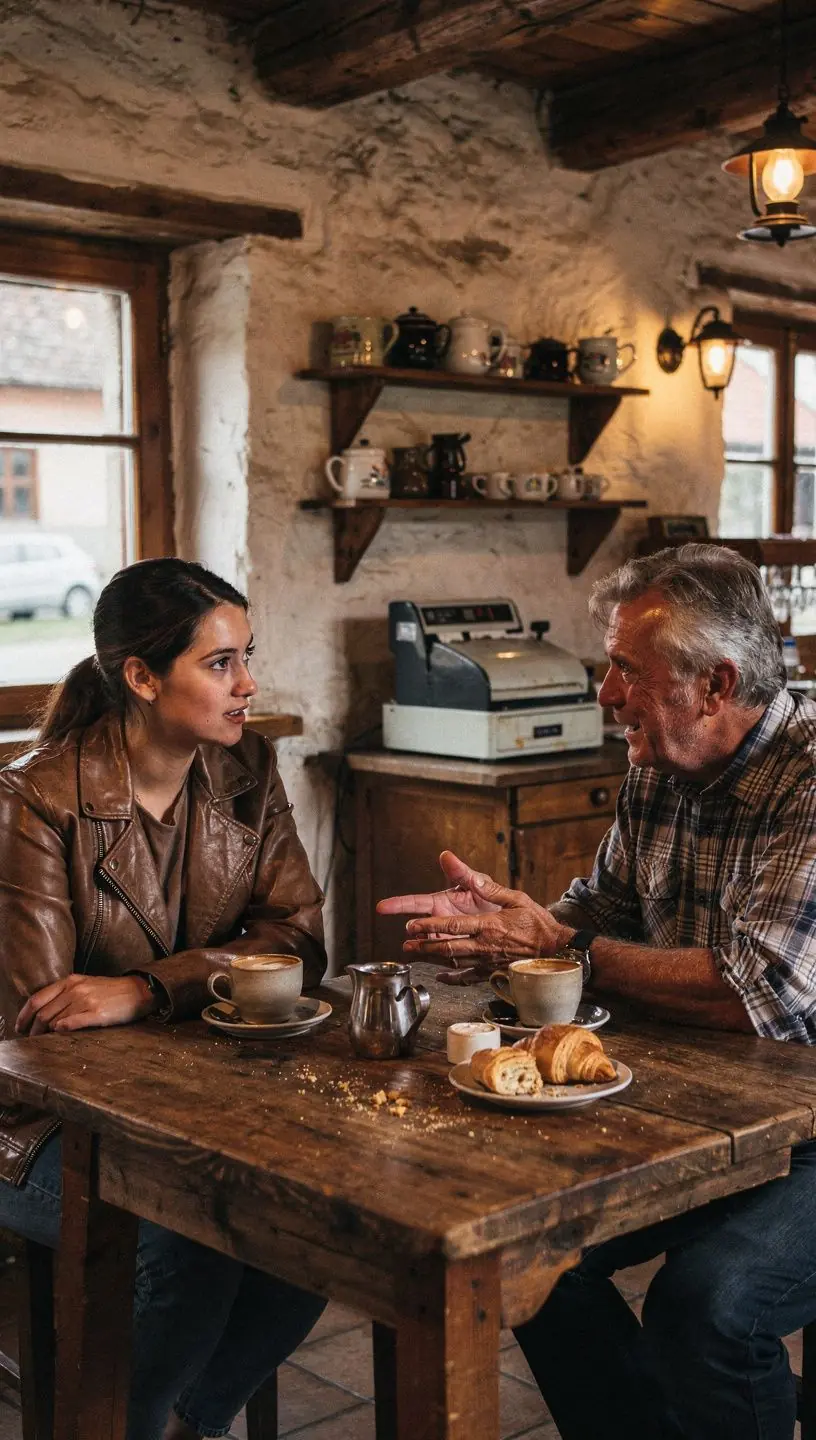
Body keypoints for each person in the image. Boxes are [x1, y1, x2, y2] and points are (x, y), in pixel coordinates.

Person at [377, 543, 816, 1440]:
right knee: (518, 1256)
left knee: (709, 1309)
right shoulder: (658, 762)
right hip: (699, 1102)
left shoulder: (807, 777)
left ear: (715, 684)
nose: (606, 694)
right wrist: (509, 938)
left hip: (808, 1124)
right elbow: (596, 911)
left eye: (626, 670)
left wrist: (562, 942)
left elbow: (757, 991)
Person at [0, 557, 327, 1440]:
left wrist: (147, 990)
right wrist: (193, 987)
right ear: (141, 677)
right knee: (192, 1240)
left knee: (324, 1220)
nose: (248, 684)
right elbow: (42, 1022)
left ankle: (187, 1423)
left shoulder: (248, 768)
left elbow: (297, 938)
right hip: (29, 1120)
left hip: (196, 1096)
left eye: (247, 656)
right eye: (220, 663)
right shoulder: (32, 796)